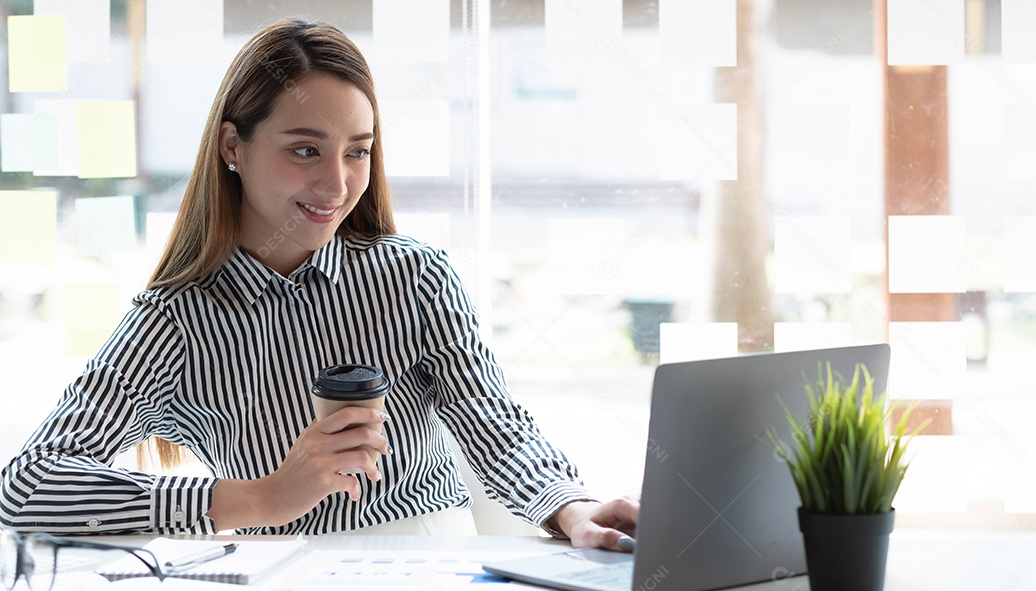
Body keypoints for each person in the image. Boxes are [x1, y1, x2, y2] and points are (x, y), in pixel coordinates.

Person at [0, 18, 637, 550]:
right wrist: (260, 498)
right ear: (233, 146)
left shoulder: (414, 278)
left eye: (356, 151)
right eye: (305, 150)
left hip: (433, 565)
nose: (337, 185)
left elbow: (494, 426)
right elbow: (28, 487)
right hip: (275, 582)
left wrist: (573, 508)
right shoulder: (176, 320)